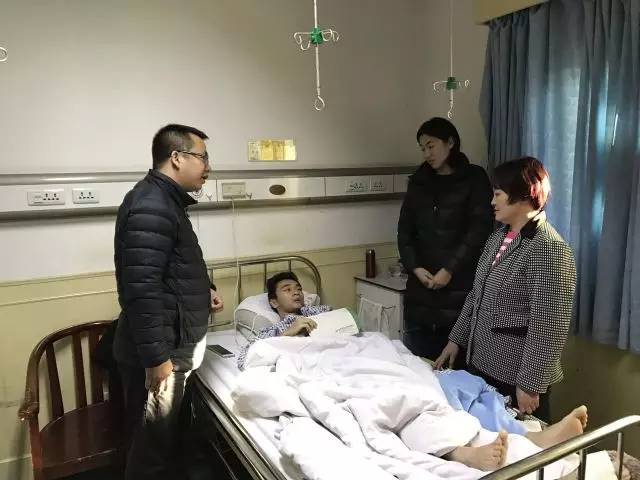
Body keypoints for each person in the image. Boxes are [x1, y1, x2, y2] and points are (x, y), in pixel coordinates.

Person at [113, 124, 224, 480]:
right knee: (151, 454)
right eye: (203, 157)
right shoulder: (152, 204)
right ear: (177, 157)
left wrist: (204, 289)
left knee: (163, 444)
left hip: (172, 347)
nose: (208, 167)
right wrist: (157, 359)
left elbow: (168, 267)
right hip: (162, 354)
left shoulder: (165, 202)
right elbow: (141, 289)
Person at [435, 157, 577, 422]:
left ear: (523, 194)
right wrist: (456, 340)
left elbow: (549, 325)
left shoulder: (548, 248)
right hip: (482, 362)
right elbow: (476, 295)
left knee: (522, 441)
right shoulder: (499, 237)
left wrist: (530, 384)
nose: (492, 201)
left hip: (516, 376)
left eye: (498, 194)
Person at [398, 117, 493, 363]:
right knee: (418, 366)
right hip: (421, 292)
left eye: (431, 146)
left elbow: (479, 230)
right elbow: (404, 232)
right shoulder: (418, 182)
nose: (426, 154)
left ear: (450, 142)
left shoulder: (474, 178)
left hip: (459, 289)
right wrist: (415, 267)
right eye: (422, 148)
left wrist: (450, 269)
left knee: (455, 371)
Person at [237, 271, 330, 370]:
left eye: (299, 289)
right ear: (274, 302)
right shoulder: (274, 331)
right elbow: (244, 361)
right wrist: (286, 334)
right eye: (288, 289)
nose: (296, 292)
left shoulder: (322, 312)